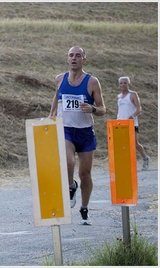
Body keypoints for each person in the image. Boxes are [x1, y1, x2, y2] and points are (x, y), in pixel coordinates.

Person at [49, 46, 106, 226]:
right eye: (71, 56)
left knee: (85, 174)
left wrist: (93, 109)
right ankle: (70, 186)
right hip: (65, 129)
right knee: (68, 162)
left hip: (85, 132)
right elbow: (56, 98)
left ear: (84, 60)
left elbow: (103, 109)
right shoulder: (60, 79)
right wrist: (50, 117)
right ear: (67, 59)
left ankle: (84, 207)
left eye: (78, 56)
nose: (74, 58)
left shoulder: (92, 82)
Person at [116, 76, 150, 170]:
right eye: (121, 83)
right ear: (119, 85)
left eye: (125, 83)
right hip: (120, 123)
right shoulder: (119, 96)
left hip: (131, 123)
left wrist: (133, 116)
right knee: (122, 144)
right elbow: (120, 110)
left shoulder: (133, 94)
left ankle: (145, 158)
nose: (123, 85)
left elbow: (139, 108)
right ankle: (126, 163)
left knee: (134, 143)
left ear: (128, 84)